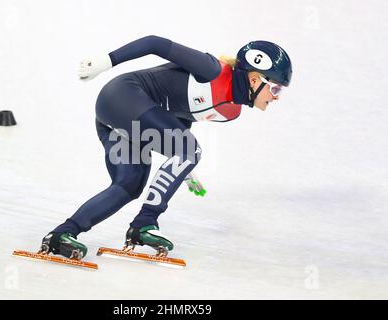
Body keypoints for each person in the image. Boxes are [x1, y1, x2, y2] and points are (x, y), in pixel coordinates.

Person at [39, 35, 292, 260]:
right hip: (121, 96)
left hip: (121, 119)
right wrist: (106, 61)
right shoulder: (212, 70)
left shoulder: (230, 112)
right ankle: (145, 223)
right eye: (276, 88)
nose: (276, 96)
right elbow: (155, 43)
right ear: (255, 78)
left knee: (128, 185)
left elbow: (180, 120)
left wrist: (182, 168)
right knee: (188, 149)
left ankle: (61, 234)